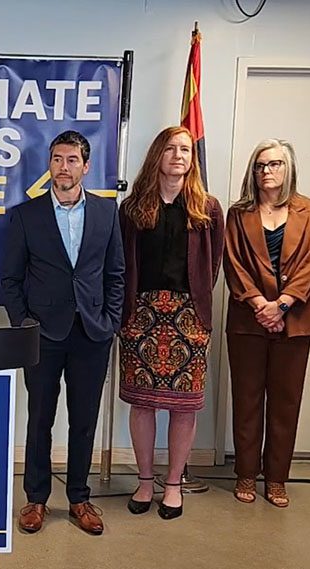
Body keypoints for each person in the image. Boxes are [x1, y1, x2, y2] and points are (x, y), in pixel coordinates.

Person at [1, 130, 124, 535]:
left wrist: (110, 321)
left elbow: (116, 274)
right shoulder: (26, 215)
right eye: (57, 159)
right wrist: (23, 324)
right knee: (40, 419)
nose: (63, 167)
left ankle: (79, 497)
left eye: (72, 160)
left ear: (85, 166)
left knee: (84, 420)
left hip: (92, 332)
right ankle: (35, 499)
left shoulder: (108, 214)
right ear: (49, 164)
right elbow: (10, 279)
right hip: (42, 334)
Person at [118, 126, 224, 520]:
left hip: (189, 316)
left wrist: (194, 305)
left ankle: (174, 483)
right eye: (170, 149)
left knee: (184, 407)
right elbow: (124, 265)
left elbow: (211, 265)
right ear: (156, 156)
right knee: (142, 405)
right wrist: (127, 314)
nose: (178, 155)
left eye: (185, 149)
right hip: (141, 314)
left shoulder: (208, 208)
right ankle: (145, 481)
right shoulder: (132, 208)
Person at [223, 139, 310, 508]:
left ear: (288, 168)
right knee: (247, 399)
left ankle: (277, 477)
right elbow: (233, 265)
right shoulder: (238, 214)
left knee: (285, 401)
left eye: (275, 164)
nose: (268, 171)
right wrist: (260, 304)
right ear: (253, 171)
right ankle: (246, 473)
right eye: (261, 165)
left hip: (294, 321)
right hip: (248, 320)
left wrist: (280, 306)